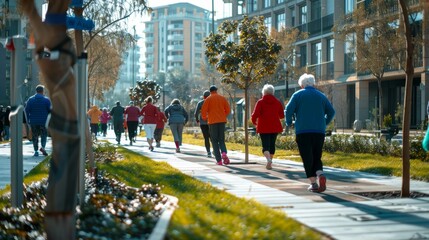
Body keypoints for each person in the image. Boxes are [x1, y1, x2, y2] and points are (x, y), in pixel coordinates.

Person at [285, 73, 335, 193]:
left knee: (307, 156)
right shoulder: (321, 96)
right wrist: (324, 122)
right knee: (317, 155)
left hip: (303, 131)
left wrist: (289, 122)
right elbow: (331, 112)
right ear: (313, 83)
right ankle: (320, 173)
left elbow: (288, 110)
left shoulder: (297, 95)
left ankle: (313, 183)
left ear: (302, 85)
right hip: (319, 131)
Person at [251, 84, 285, 170]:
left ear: (264, 92)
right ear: (273, 92)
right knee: (272, 145)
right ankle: (270, 161)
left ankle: (268, 160)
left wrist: (254, 122)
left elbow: (255, 114)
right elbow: (281, 115)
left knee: (265, 146)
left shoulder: (260, 102)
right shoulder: (277, 102)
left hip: (263, 127)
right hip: (275, 126)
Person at [201, 85, 231, 165]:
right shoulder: (222, 98)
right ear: (216, 90)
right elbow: (228, 109)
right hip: (222, 121)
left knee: (214, 140)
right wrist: (223, 115)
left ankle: (219, 160)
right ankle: (224, 152)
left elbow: (203, 110)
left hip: (212, 122)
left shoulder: (208, 99)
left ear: (210, 91)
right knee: (221, 139)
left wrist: (205, 117)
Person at [25, 85, 52, 156]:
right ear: (42, 91)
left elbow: (26, 110)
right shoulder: (46, 100)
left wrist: (28, 120)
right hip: (43, 122)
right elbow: (50, 111)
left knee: (35, 136)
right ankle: (43, 147)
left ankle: (36, 151)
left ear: (36, 91)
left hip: (33, 121)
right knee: (44, 135)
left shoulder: (30, 99)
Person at [194, 90, 212, 157]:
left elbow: (196, 113)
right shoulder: (212, 102)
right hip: (211, 122)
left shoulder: (200, 103)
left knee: (206, 137)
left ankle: (208, 152)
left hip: (203, 122)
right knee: (212, 137)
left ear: (204, 96)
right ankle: (216, 151)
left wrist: (197, 120)